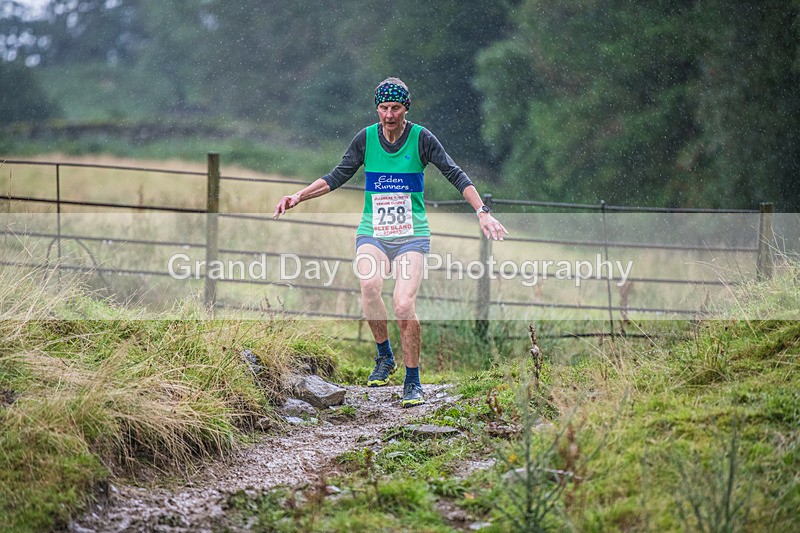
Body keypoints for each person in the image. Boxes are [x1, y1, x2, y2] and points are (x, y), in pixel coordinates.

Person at [273, 77, 507, 407]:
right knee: (369, 284)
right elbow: (337, 176)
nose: (388, 115)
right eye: (383, 108)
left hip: (412, 235)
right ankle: (385, 357)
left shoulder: (422, 139)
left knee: (401, 304)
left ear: (406, 109)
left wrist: (482, 211)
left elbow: (455, 174)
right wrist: (299, 196)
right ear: (377, 109)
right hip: (374, 232)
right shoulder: (365, 140)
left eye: (395, 108)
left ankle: (413, 380)